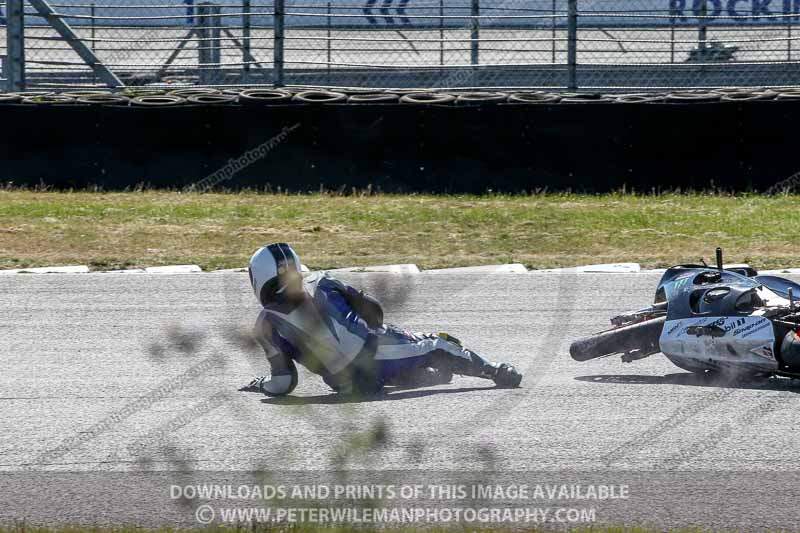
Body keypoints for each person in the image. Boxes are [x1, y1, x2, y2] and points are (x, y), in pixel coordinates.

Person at [240, 243, 522, 397]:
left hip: (344, 386)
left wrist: (259, 384)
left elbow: (284, 384)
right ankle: (494, 371)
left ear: (258, 279)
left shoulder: (264, 325)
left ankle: (421, 374)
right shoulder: (323, 281)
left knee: (392, 355)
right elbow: (375, 312)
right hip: (378, 353)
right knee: (438, 343)